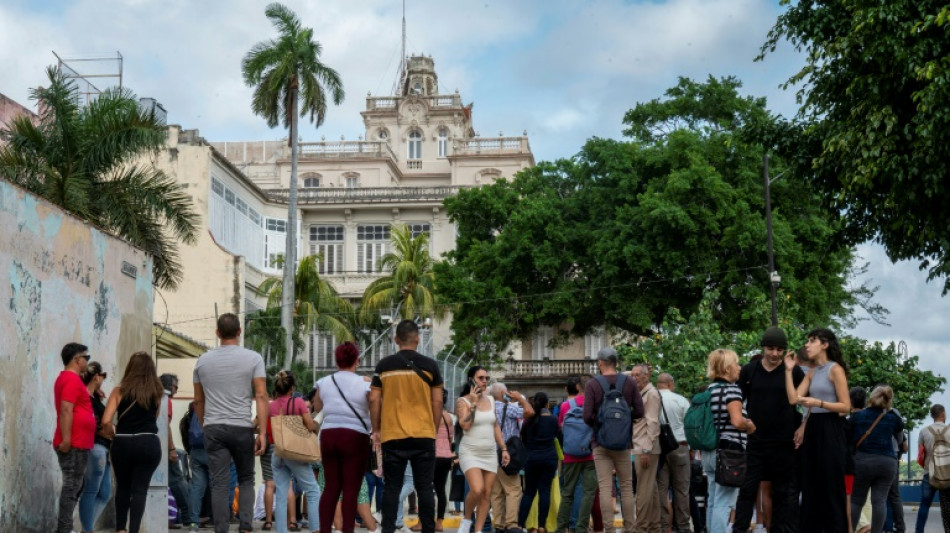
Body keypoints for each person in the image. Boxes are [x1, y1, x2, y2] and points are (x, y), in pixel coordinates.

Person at [193, 313, 269, 533]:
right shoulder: (253, 358)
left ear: (217, 333)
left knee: (219, 481)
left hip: (214, 427)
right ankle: (245, 526)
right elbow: (262, 395)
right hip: (242, 428)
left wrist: (205, 423)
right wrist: (262, 433)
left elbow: (198, 399)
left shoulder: (203, 361)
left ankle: (221, 529)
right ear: (239, 332)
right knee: (246, 478)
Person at [369, 320, 444, 533]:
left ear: (395, 340)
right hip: (424, 434)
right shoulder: (430, 366)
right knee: (425, 487)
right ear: (417, 339)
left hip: (393, 435)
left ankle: (388, 529)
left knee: (392, 487)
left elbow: (374, 399)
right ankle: (428, 529)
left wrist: (377, 429)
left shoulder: (384, 366)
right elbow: (437, 401)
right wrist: (433, 426)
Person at [733, 327, 805, 533]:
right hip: (756, 441)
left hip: (784, 442)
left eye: (779, 350)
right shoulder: (750, 370)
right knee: (747, 490)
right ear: (763, 347)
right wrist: (744, 421)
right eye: (771, 348)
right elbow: (737, 399)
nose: (775, 354)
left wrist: (803, 426)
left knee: (782, 492)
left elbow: (809, 402)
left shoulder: (793, 371)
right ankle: (739, 529)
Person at [784, 328, 851, 533]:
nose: (807, 344)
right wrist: (788, 371)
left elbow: (846, 407)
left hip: (831, 428)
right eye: (808, 340)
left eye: (812, 341)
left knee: (831, 486)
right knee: (811, 486)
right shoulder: (812, 372)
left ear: (825, 345)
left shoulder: (835, 370)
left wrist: (819, 402)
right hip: (813, 428)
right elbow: (793, 399)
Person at [313, 342, 373, 533]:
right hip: (355, 437)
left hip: (329, 435)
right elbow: (374, 404)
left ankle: (324, 529)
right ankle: (347, 529)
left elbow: (317, 406)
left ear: (336, 360)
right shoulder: (365, 383)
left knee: (330, 487)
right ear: (357, 360)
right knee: (351, 488)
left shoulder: (323, 382)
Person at [102, 351, 165, 533]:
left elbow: (106, 421)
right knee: (140, 490)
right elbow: (154, 417)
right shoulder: (156, 392)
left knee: (123, 487)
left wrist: (113, 432)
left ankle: (120, 529)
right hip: (148, 443)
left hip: (123, 443)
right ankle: (134, 530)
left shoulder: (118, 391)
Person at [583, 347, 645, 533]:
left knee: (604, 487)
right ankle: (630, 528)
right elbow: (640, 411)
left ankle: (608, 529)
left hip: (600, 443)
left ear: (600, 363)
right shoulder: (629, 382)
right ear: (616, 363)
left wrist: (600, 424)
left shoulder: (592, 384)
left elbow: (587, 416)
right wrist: (623, 421)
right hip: (623, 443)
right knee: (626, 487)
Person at [702, 349, 756, 533]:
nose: (739, 368)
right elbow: (737, 421)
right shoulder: (732, 390)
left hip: (709, 451)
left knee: (713, 499)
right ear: (726, 369)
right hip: (729, 453)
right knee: (724, 502)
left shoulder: (710, 390)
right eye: (736, 364)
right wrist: (749, 426)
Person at [456, 366, 509, 533]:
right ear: (471, 380)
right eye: (481, 378)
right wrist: (472, 403)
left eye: (486, 378)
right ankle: (466, 519)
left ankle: (478, 530)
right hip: (470, 451)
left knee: (487, 494)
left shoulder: (491, 400)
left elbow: (495, 426)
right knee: (477, 489)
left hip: (489, 452)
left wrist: (504, 448)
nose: (485, 381)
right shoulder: (462, 401)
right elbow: (465, 425)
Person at [268, 370, 321, 533]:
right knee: (313, 490)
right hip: (295, 453)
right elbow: (310, 425)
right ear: (291, 389)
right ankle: (315, 529)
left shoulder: (272, 406)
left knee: (282, 494)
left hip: (278, 453)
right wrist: (315, 424)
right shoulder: (297, 402)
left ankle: (281, 530)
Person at [849, 385, 903, 533]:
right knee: (879, 502)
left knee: (856, 501)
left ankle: (851, 530)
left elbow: (848, 440)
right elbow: (900, 434)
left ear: (871, 398)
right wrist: (888, 407)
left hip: (862, 462)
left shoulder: (857, 416)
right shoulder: (892, 418)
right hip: (887, 463)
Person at [53, 342, 96, 533]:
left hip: (79, 442)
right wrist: (67, 439)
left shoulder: (73, 380)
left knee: (77, 485)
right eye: (86, 357)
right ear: (76, 360)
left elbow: (75, 404)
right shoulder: (70, 379)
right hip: (74, 443)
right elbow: (66, 409)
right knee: (72, 486)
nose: (88, 361)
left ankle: (66, 527)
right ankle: (64, 529)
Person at [556, 376, 604, 533]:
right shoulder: (596, 405)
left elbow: (561, 429)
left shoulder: (565, 406)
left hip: (570, 455)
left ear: (578, 387)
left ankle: (561, 527)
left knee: (567, 493)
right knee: (588, 494)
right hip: (591, 455)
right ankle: (581, 528)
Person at [490, 382, 535, 533]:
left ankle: (499, 524)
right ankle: (511, 524)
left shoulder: (488, 407)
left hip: (491, 454)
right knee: (513, 490)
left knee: (497, 492)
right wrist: (520, 399)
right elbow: (529, 412)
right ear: (503, 394)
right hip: (506, 454)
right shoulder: (507, 408)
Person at [655, 373, 691, 533]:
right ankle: (683, 526)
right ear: (670, 383)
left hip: (660, 448)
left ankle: (664, 526)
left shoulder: (652, 399)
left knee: (661, 489)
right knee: (682, 489)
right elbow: (689, 425)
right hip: (680, 446)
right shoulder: (680, 400)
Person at [518, 392, 559, 533]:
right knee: (545, 492)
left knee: (529, 492)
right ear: (547, 404)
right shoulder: (554, 420)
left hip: (532, 458)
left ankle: (520, 524)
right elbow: (559, 437)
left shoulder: (528, 421)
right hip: (549, 459)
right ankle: (542, 525)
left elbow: (523, 439)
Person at [79, 361, 112, 533]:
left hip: (104, 448)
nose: (103, 381)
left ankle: (87, 528)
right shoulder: (85, 397)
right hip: (95, 447)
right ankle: (88, 529)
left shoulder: (94, 397)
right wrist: (109, 432)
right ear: (96, 377)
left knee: (105, 493)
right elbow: (94, 425)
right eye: (102, 377)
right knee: (91, 490)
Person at [630, 363, 661, 533]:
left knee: (643, 490)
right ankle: (655, 527)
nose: (633, 378)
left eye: (637, 375)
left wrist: (647, 449)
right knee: (651, 489)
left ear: (646, 376)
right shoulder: (642, 392)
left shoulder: (651, 394)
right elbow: (621, 374)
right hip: (643, 446)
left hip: (645, 447)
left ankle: (640, 528)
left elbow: (653, 423)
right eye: (632, 375)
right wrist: (637, 371)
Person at [161, 373, 191, 530]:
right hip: (163, 448)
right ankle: (188, 517)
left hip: (154, 446)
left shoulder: (155, 398)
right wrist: (172, 449)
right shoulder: (166, 401)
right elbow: (165, 426)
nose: (177, 391)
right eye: (175, 387)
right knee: (178, 480)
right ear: (168, 387)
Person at [917, 404, 950, 533]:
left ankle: (919, 531)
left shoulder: (924, 431)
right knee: (947, 507)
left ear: (932, 416)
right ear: (942, 414)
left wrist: (926, 466)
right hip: (947, 475)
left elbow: (920, 455)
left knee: (924, 505)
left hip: (929, 474)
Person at [180, 400, 211, 531]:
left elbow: (185, 437)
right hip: (213, 451)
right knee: (218, 487)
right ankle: (220, 521)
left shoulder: (189, 417)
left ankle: (193, 523)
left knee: (196, 487)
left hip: (196, 452)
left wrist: (190, 452)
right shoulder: (214, 407)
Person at [434, 389, 456, 532]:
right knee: (441, 490)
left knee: (426, 489)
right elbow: (451, 437)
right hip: (446, 457)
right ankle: (440, 522)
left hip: (432, 456)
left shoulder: (432, 415)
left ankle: (425, 520)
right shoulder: (449, 416)